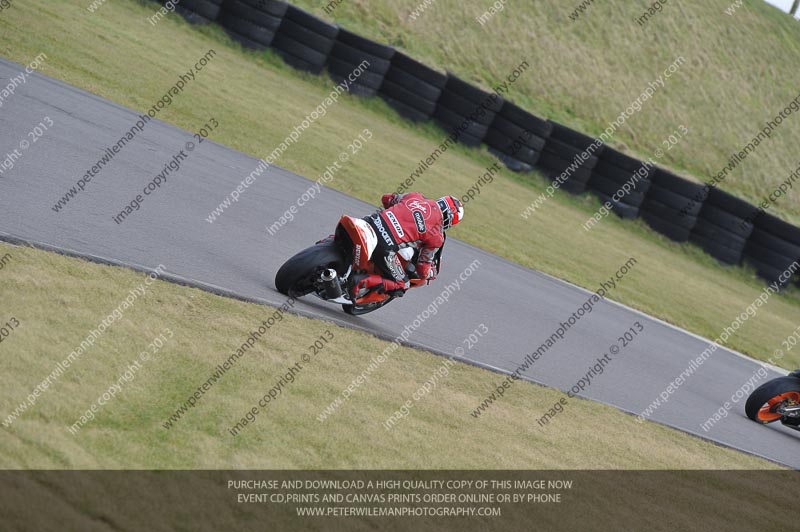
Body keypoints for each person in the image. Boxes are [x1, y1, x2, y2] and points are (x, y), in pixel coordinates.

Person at [352, 192, 463, 299]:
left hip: (369, 222)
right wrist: (429, 273)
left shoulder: (415, 196)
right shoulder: (437, 236)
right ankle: (361, 281)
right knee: (402, 284)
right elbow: (422, 268)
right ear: (450, 220)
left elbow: (386, 198)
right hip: (385, 245)